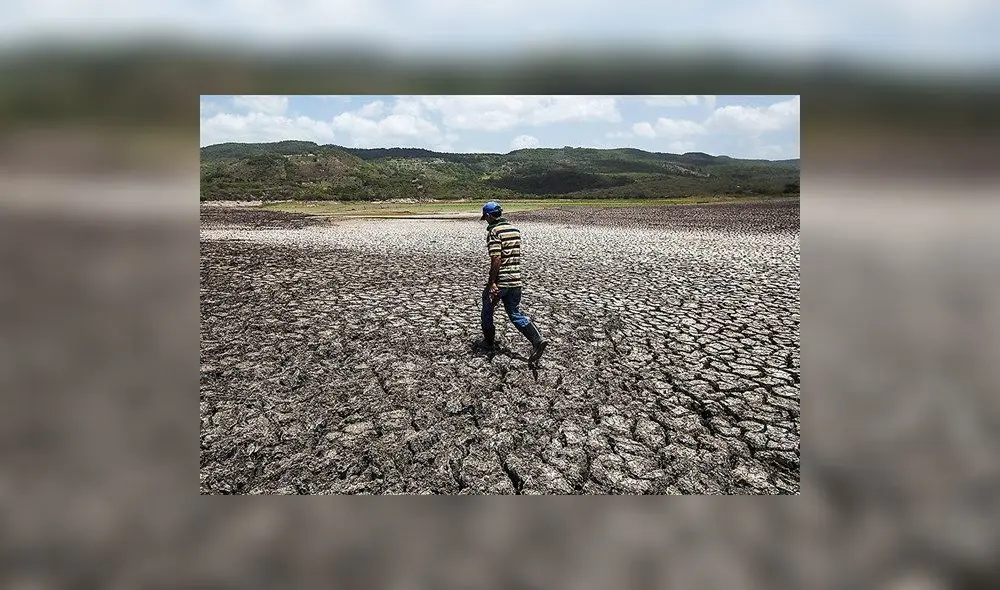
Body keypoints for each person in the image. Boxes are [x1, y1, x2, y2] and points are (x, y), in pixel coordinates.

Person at [477, 201, 547, 364]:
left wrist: (492, 283)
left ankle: (488, 343)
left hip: (501, 281)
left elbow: (496, 258)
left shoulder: (494, 231)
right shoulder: (514, 230)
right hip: (516, 281)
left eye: (485, 218)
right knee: (515, 313)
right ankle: (537, 340)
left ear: (488, 216)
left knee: (487, 310)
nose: (485, 221)